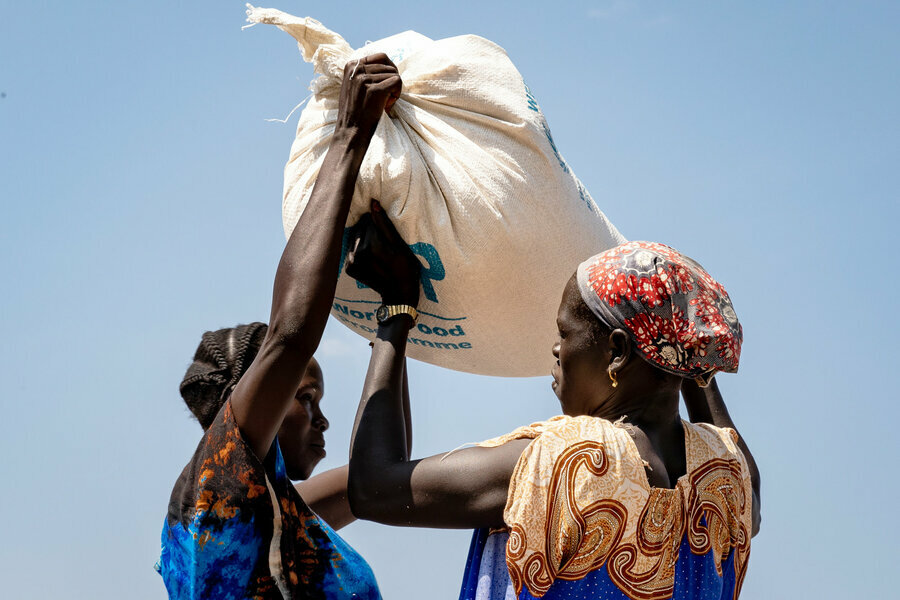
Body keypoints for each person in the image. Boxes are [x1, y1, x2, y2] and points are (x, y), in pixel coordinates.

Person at [345, 227, 761, 600]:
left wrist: (396, 313)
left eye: (565, 332)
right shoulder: (727, 476)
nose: (557, 349)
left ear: (616, 353)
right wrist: (679, 348)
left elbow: (372, 487)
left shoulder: (569, 461)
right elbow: (744, 478)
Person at [156, 54, 404, 599]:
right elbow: (290, 339)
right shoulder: (212, 495)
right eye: (305, 398)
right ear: (247, 398)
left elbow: (379, 482)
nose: (323, 422)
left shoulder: (284, 514)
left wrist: (397, 312)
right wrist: (348, 138)